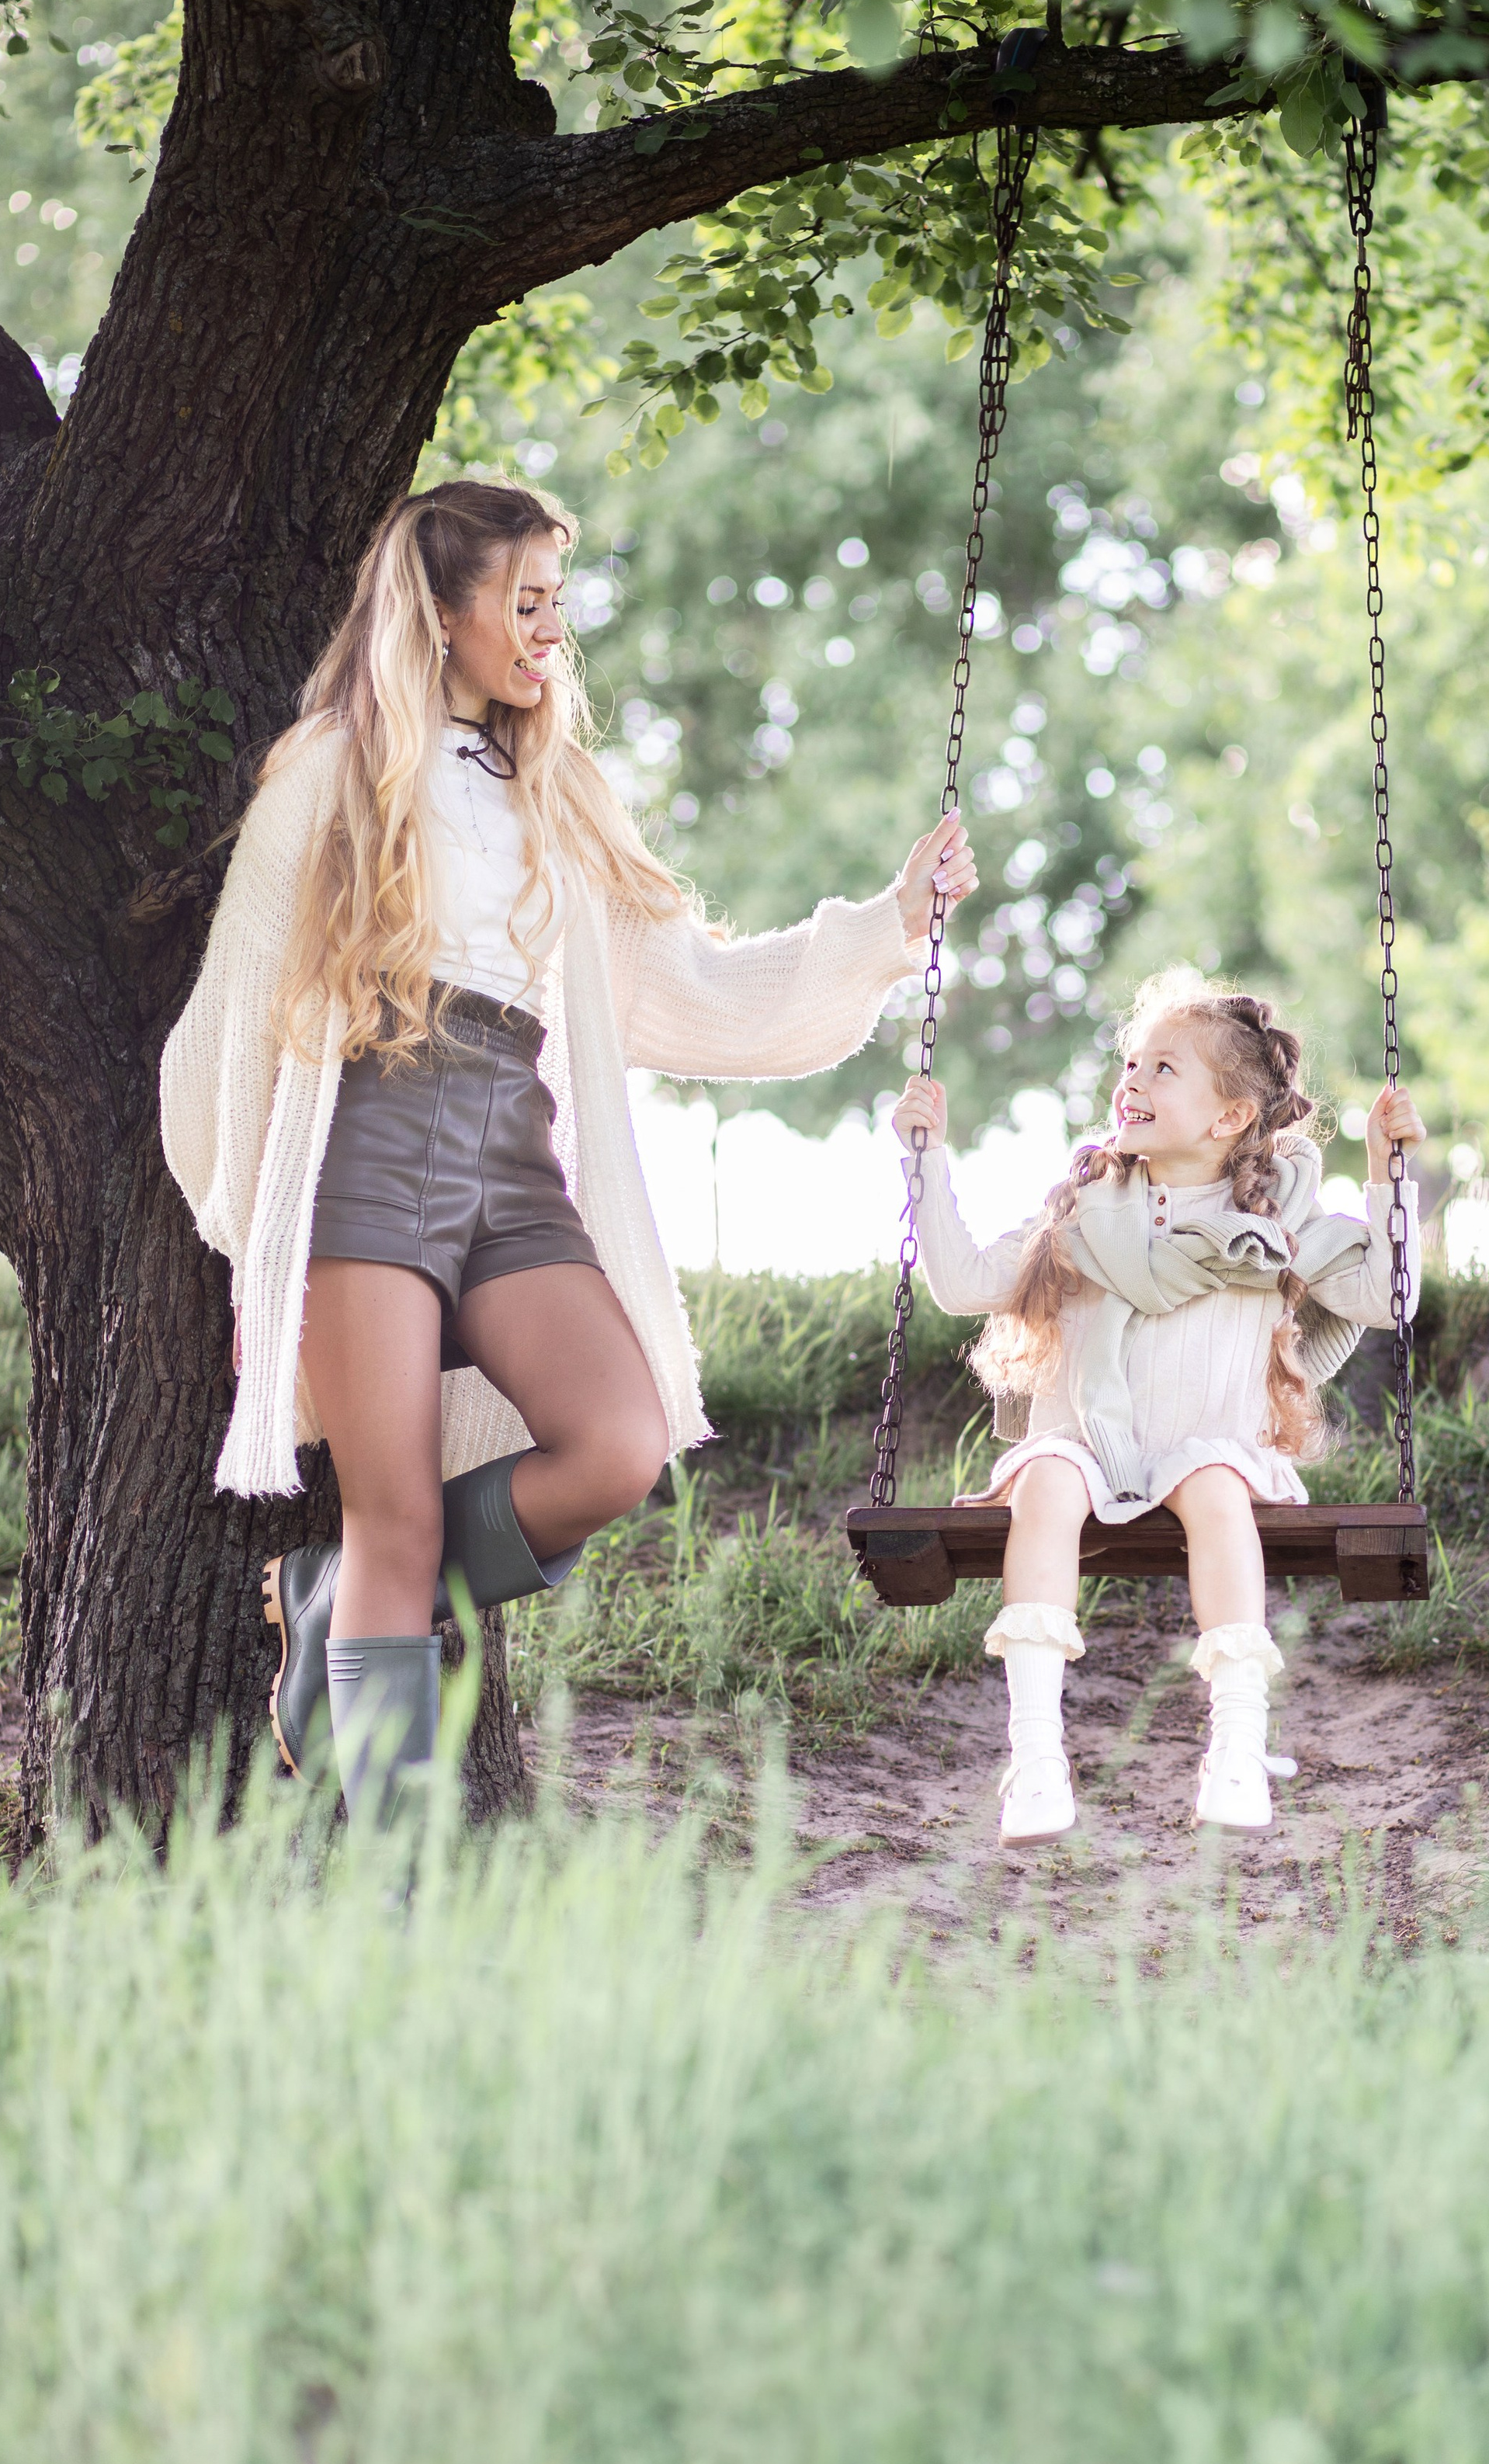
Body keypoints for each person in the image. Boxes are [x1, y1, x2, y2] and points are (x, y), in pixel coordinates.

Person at [161, 477, 975, 1817]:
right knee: (395, 1515)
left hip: (514, 1158)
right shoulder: (331, 769)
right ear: (441, 614)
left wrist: (890, 926)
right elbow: (236, 1005)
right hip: (369, 1148)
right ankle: (400, 1868)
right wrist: (255, 1217)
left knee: (617, 1444)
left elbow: (693, 988)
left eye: (559, 604)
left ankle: (335, 1599)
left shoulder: (560, 790)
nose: (552, 632)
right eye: (526, 603)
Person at [890, 972, 1423, 1844]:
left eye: (1162, 1068)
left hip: (1209, 1448)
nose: (1130, 1080)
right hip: (1087, 1445)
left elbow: (1383, 1295)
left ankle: (1238, 1745)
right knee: (1046, 1479)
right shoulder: (1081, 1211)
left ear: (1230, 1117)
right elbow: (960, 1285)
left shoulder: (1275, 1218)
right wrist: (926, 1157)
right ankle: (1035, 1755)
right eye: (1130, 1063)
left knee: (1214, 1484)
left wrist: (1383, 1173)